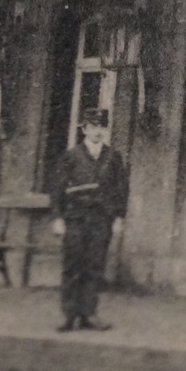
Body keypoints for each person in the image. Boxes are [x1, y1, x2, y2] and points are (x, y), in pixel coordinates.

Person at [49, 108, 129, 333]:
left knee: (95, 266)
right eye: (92, 127)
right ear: (84, 129)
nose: (97, 131)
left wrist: (118, 218)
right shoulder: (71, 156)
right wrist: (57, 217)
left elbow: (121, 190)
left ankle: (89, 313)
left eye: (101, 127)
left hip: (101, 219)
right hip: (75, 218)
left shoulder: (113, 157)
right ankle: (69, 314)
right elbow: (57, 189)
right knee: (72, 264)